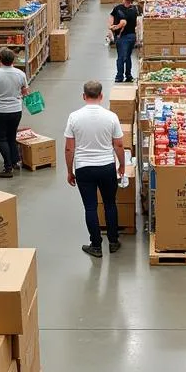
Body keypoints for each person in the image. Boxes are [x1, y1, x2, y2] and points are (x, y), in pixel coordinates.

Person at [63, 80, 125, 258]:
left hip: (84, 168)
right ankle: (113, 241)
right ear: (101, 96)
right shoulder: (111, 116)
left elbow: (69, 148)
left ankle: (96, 245)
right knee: (110, 204)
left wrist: (70, 170)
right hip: (106, 166)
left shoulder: (74, 117)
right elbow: (119, 145)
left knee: (90, 207)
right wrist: (121, 165)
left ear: (84, 96)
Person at [0, 47, 28, 179]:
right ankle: (15, 161)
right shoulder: (20, 74)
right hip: (16, 111)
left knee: (1, 139)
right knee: (11, 136)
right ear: (13, 59)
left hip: (0, 111)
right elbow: (25, 92)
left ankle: (7, 168)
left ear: (0, 60)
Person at [109, 0, 138, 84]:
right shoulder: (133, 9)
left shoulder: (130, 10)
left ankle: (119, 76)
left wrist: (114, 27)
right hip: (132, 36)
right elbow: (111, 15)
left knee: (121, 57)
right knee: (127, 57)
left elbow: (123, 23)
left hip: (124, 37)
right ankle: (128, 75)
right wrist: (110, 26)